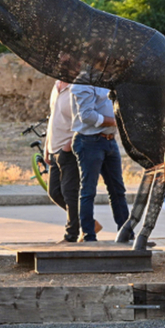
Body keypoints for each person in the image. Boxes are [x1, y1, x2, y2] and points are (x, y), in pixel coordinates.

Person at [70, 84, 129, 242]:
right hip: (89, 141)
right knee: (88, 191)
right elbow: (87, 116)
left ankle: (126, 234)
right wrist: (116, 121)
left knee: (118, 190)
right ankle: (89, 236)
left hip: (110, 141)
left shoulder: (106, 80)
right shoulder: (82, 82)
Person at [44, 80, 97, 243]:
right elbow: (53, 117)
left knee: (69, 192)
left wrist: (68, 146)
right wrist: (47, 146)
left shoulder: (78, 88)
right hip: (54, 148)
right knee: (54, 192)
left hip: (68, 148)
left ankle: (71, 234)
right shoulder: (56, 86)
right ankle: (88, 222)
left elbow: (83, 119)